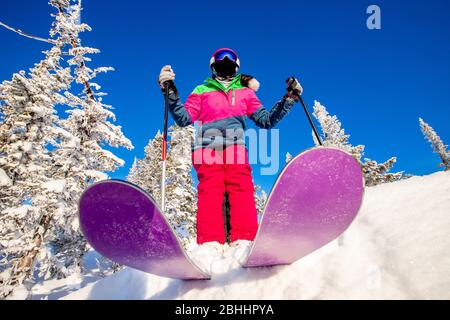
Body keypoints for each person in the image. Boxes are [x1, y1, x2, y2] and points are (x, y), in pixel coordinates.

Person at [158, 48, 303, 253]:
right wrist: (169, 90)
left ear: (236, 66)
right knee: (211, 188)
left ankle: (244, 238)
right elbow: (184, 118)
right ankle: (210, 241)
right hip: (206, 146)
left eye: (230, 59)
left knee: (241, 185)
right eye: (220, 59)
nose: (225, 61)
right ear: (213, 65)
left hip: (235, 146)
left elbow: (266, 120)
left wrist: (289, 98)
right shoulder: (201, 90)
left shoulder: (245, 93)